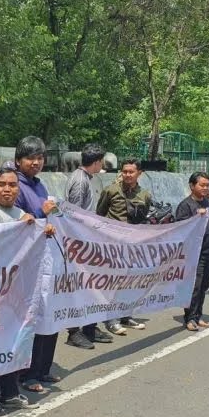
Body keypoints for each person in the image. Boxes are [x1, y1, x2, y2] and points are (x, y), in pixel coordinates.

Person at [0, 166, 53, 417]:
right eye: (2, 184)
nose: (7, 189)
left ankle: (10, 393)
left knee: (14, 341)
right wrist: (23, 226)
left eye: (12, 185)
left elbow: (28, 243)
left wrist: (42, 231)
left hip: (17, 289)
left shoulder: (20, 213)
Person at [12, 136, 60, 394]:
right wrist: (43, 214)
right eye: (30, 158)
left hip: (45, 257)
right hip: (27, 262)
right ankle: (26, 373)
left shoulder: (39, 185)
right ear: (18, 160)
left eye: (40, 158)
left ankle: (42, 368)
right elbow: (19, 223)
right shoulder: (15, 186)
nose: (36, 162)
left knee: (47, 312)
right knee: (31, 315)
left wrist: (52, 212)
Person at [63, 144, 113, 349]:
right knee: (78, 288)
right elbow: (73, 214)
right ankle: (74, 332)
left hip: (86, 240)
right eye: (101, 162)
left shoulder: (86, 178)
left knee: (91, 287)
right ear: (97, 162)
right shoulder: (80, 181)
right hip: (78, 243)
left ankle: (90, 327)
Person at [96, 158, 152, 335]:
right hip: (113, 246)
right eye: (125, 171)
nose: (127, 175)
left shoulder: (144, 195)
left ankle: (126, 315)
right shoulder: (111, 190)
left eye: (131, 172)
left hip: (133, 246)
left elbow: (143, 219)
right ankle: (111, 319)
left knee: (131, 282)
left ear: (139, 173)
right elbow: (99, 215)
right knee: (113, 282)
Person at [176, 172, 209, 332]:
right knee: (194, 286)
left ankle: (198, 315)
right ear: (192, 186)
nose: (205, 188)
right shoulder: (186, 205)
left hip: (208, 252)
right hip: (193, 253)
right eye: (201, 185)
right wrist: (196, 217)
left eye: (207, 185)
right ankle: (189, 318)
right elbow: (180, 229)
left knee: (204, 285)